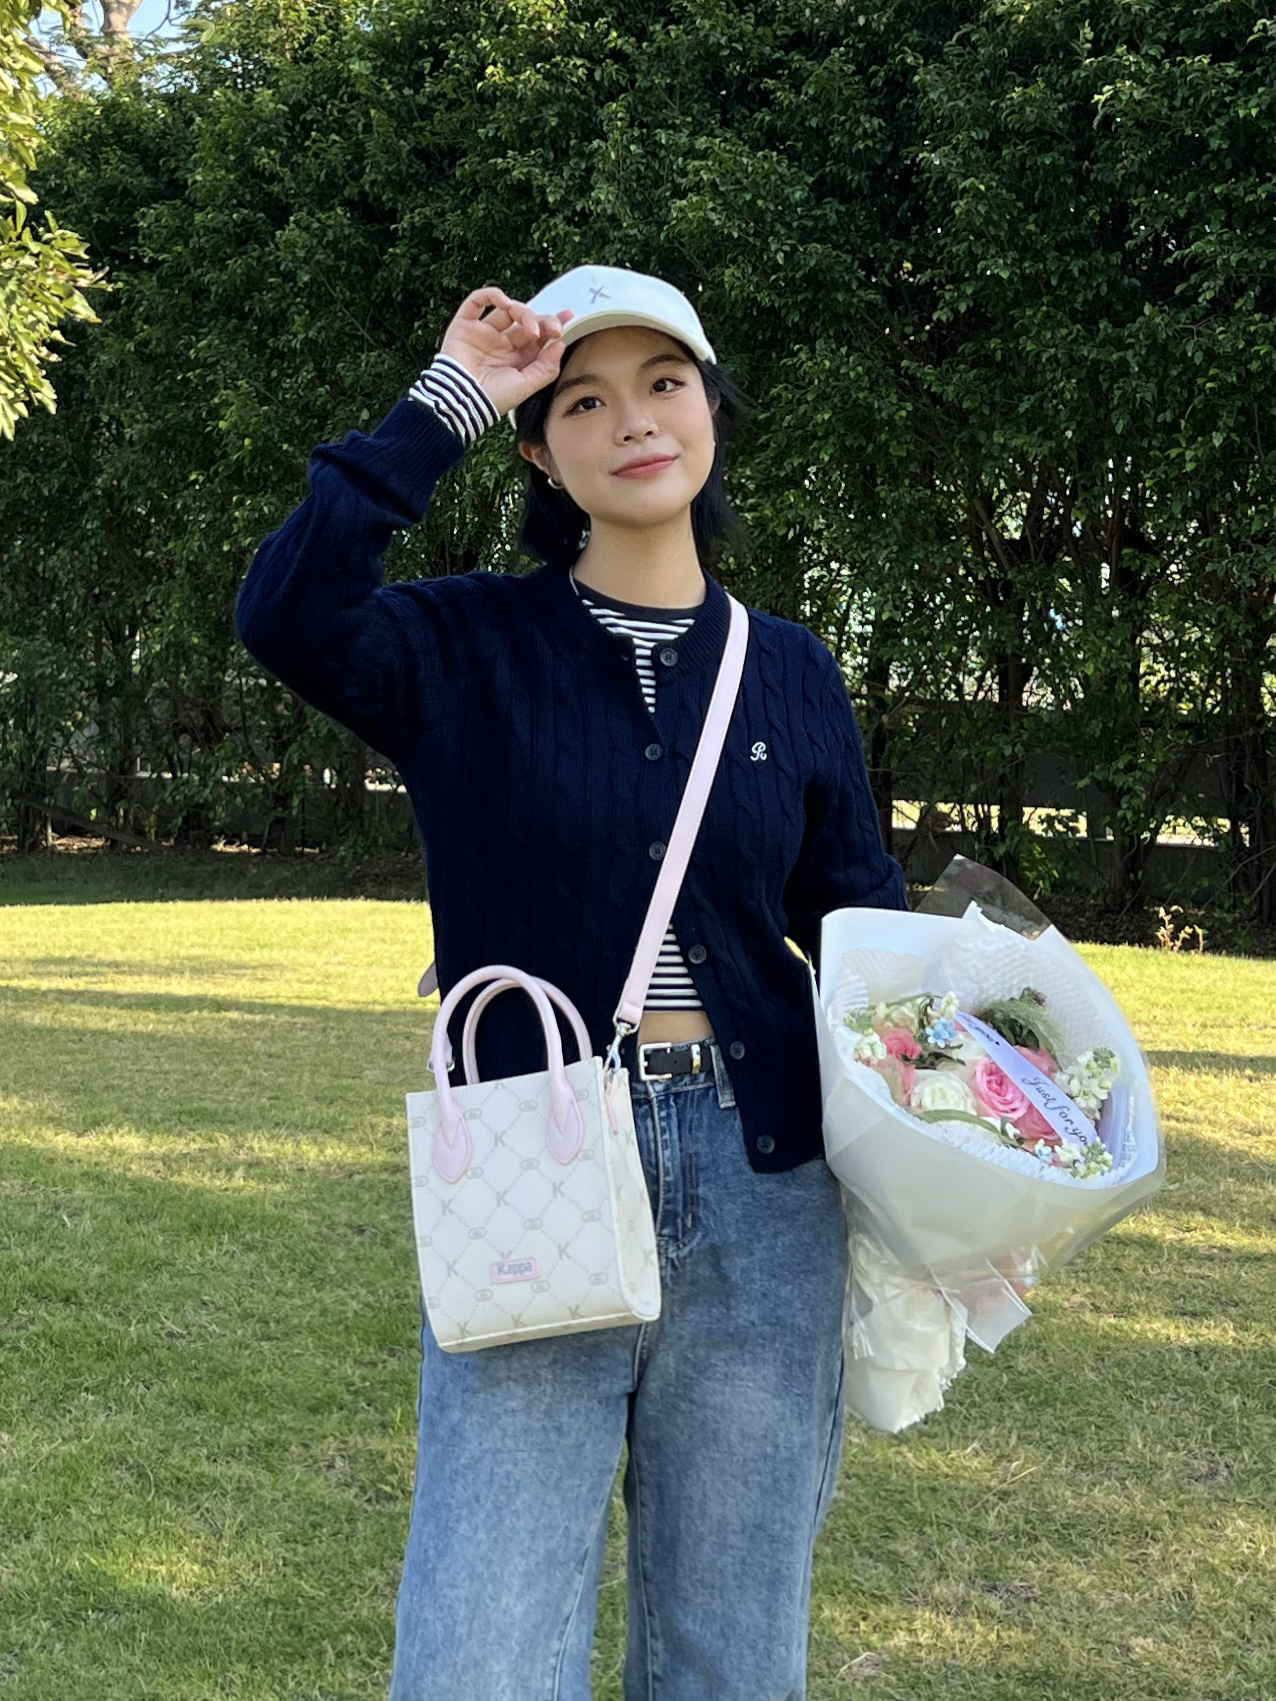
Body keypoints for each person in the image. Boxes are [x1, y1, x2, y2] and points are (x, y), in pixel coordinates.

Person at [234, 263, 910, 1701]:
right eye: (584, 402)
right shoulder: (464, 646)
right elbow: (288, 611)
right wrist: (450, 399)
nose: (635, 422)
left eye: (664, 384)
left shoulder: (792, 672)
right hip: (536, 1167)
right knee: (477, 1655)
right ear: (541, 453)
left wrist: (966, 1157)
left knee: (732, 1653)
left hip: (768, 1185)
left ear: (711, 408)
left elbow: (864, 929)